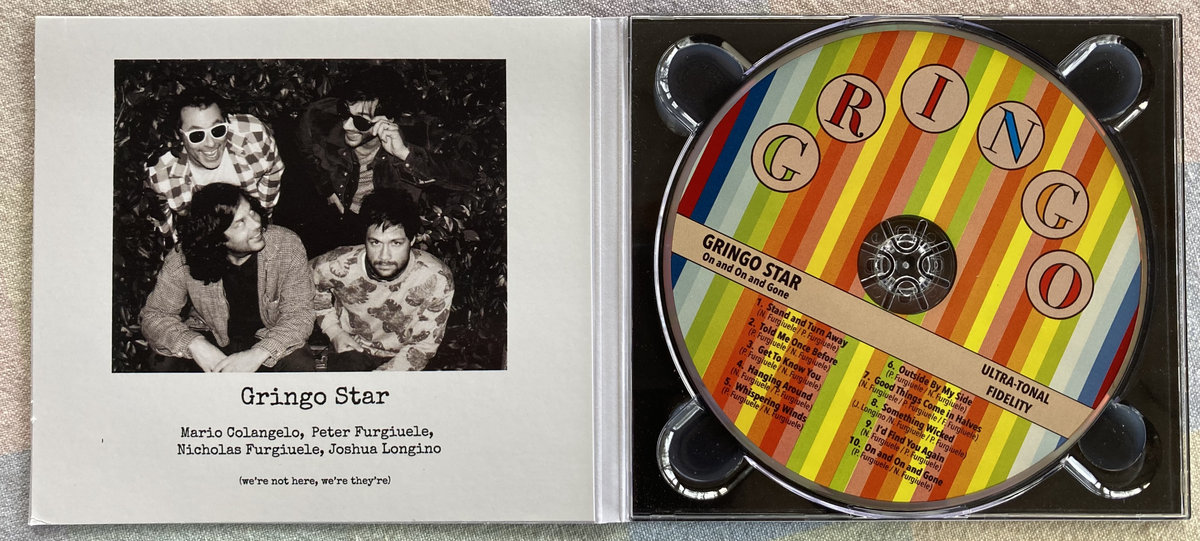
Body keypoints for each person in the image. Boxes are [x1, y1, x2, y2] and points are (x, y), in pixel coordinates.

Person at [140, 184, 315, 372]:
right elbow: (154, 315)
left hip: (268, 337)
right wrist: (194, 344)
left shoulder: (286, 245)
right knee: (162, 360)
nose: (256, 224)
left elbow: (299, 314)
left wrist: (260, 353)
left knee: (300, 362)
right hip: (209, 337)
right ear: (215, 235)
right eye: (240, 223)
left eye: (252, 212)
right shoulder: (183, 257)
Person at [295, 67, 442, 253]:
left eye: (361, 121)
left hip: (382, 227)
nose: (347, 125)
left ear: (388, 119)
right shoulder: (319, 116)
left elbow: (460, 179)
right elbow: (305, 151)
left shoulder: (417, 134)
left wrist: (405, 154)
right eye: (345, 112)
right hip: (336, 213)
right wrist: (326, 188)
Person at [310, 189, 454, 371]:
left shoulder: (436, 277)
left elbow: (422, 346)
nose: (384, 256)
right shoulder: (336, 264)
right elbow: (304, 286)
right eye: (375, 242)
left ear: (412, 240)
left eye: (396, 243)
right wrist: (334, 331)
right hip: (352, 349)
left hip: (405, 357)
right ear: (365, 239)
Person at [146, 87, 284, 236]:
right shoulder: (161, 173)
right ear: (179, 135)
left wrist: (263, 216)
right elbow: (163, 221)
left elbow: (273, 171)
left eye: (217, 130)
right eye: (197, 135)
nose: (211, 143)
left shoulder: (253, 135)